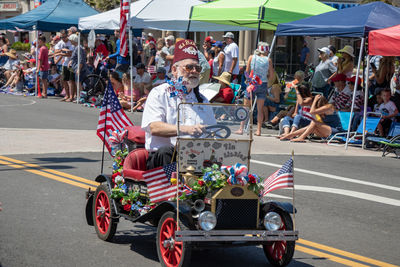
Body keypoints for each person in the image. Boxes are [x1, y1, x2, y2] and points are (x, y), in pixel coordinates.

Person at [142, 39, 216, 169]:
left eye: (197, 68)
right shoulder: (159, 93)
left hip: (195, 157)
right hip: (164, 159)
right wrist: (186, 129)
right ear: (174, 70)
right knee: (167, 151)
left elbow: (213, 131)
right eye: (189, 67)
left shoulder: (202, 100)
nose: (194, 71)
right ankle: (174, 188)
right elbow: (153, 127)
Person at [235, 42, 274, 136]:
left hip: (252, 84)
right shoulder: (268, 60)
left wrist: (249, 81)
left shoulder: (251, 57)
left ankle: (241, 128)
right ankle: (259, 130)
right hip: (263, 84)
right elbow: (272, 75)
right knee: (260, 109)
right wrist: (266, 78)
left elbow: (247, 71)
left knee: (246, 107)